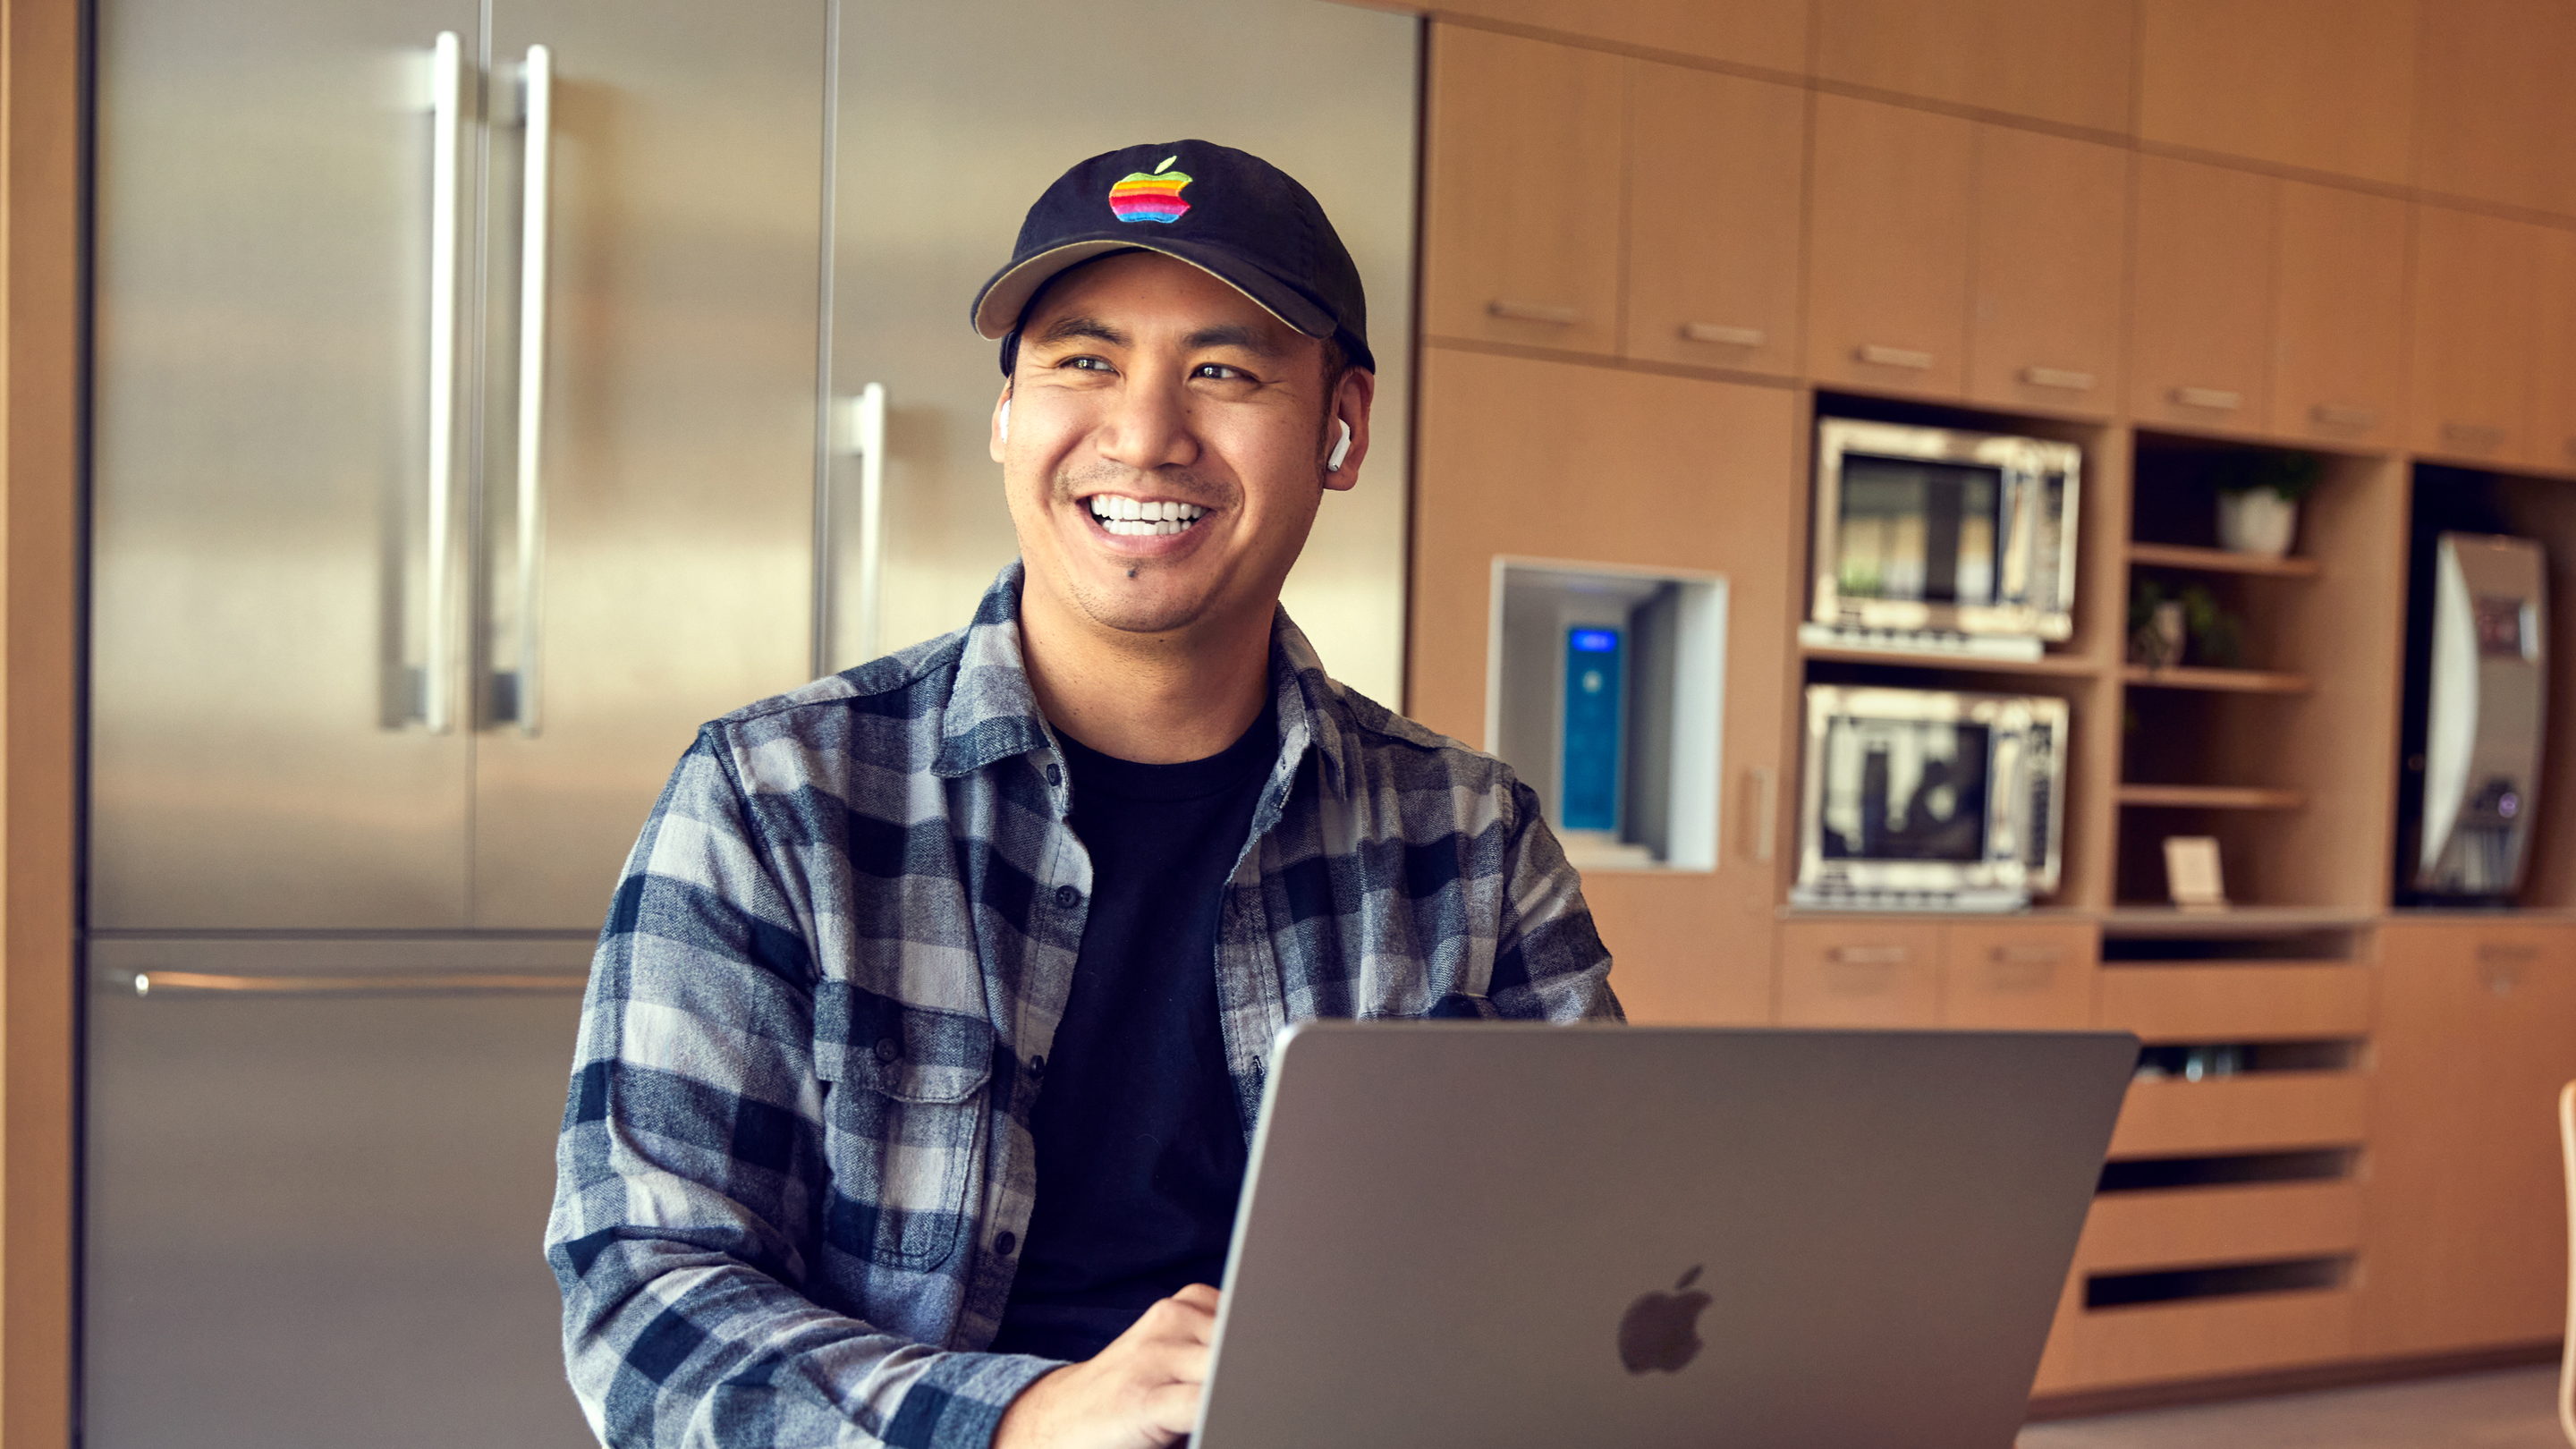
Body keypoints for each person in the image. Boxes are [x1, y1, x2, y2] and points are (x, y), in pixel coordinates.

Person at [546, 139, 1620, 1449]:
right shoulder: (776, 798)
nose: (1146, 434)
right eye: (1084, 361)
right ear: (1007, 415)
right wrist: (1027, 1421)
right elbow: (646, 1305)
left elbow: (1601, 1273)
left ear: (1342, 426)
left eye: (1222, 371)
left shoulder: (1471, 839)